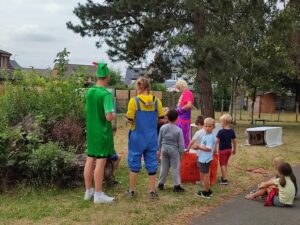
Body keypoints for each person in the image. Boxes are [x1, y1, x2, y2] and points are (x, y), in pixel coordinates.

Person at [125, 76, 165, 199]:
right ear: (149, 87)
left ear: (138, 87)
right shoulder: (156, 101)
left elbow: (129, 119)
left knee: (134, 162)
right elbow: (162, 118)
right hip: (152, 137)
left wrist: (125, 119)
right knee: (152, 163)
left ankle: (131, 191)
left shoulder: (134, 101)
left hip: (137, 137)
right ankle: (152, 191)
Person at [83, 62, 115, 204]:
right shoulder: (106, 94)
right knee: (100, 162)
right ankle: (98, 194)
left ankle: (88, 191)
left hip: (91, 131)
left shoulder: (90, 92)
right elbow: (108, 117)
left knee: (90, 159)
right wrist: (113, 115)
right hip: (102, 132)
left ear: (97, 76)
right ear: (107, 77)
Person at [157, 109, 185, 192]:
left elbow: (159, 139)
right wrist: (181, 153)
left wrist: (159, 149)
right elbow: (181, 144)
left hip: (164, 149)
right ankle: (177, 186)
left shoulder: (163, 127)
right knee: (175, 168)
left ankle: (161, 184)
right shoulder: (178, 130)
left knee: (164, 167)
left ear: (167, 118)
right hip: (174, 151)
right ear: (177, 118)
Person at [193, 118, 216, 199]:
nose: (207, 128)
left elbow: (208, 148)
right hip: (204, 158)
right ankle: (208, 190)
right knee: (205, 174)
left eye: (209, 126)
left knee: (205, 175)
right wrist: (198, 147)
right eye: (206, 126)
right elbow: (204, 146)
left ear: (213, 127)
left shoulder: (210, 137)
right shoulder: (206, 135)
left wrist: (199, 147)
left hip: (205, 159)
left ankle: (206, 192)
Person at [215, 114, 237, 185]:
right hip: (229, 150)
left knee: (222, 165)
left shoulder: (220, 131)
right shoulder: (232, 131)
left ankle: (224, 180)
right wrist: (234, 149)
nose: (220, 123)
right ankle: (224, 176)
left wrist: (215, 149)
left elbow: (217, 142)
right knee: (225, 164)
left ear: (224, 122)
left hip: (222, 151)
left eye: (221, 122)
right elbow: (234, 141)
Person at [176, 79, 194, 148]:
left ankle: (184, 156)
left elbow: (189, 105)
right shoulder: (185, 93)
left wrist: (179, 110)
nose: (179, 90)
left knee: (183, 140)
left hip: (183, 121)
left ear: (182, 86)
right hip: (182, 120)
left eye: (179, 88)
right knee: (181, 140)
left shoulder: (187, 93)